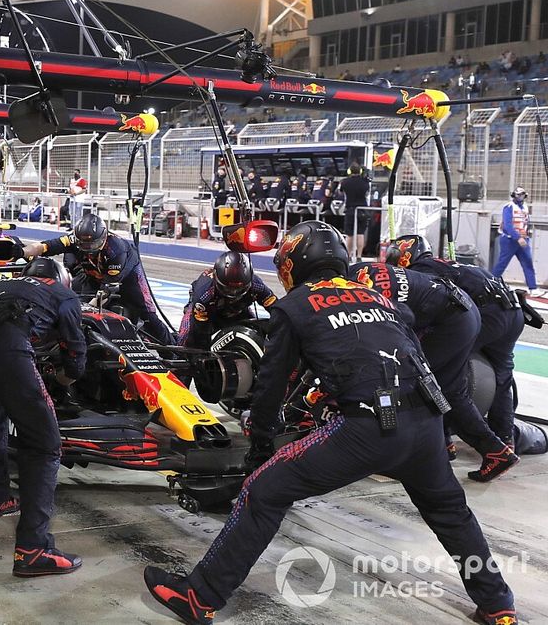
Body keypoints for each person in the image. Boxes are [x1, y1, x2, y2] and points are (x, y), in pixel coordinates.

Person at [144, 221, 517, 625]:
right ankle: (498, 603)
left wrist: (261, 444)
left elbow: (270, 385)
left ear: (296, 262)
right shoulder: (381, 298)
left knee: (262, 491)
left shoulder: (295, 306)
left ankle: (200, 596)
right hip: (427, 423)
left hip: (366, 428)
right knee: (450, 511)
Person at [0, 257, 86, 577]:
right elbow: (76, 360)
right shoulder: (64, 295)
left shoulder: (4, 284)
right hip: (3, 342)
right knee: (44, 443)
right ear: (61, 278)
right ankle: (33, 549)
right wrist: (63, 381)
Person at [351, 262, 518, 481]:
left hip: (456, 320)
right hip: (469, 314)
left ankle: (396, 450)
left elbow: (402, 320)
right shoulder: (369, 272)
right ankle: (491, 450)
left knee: (400, 379)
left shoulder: (354, 287)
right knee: (450, 389)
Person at [388, 235, 525, 455]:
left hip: (487, 313)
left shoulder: (421, 272)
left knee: (439, 374)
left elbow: (426, 313)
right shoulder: (444, 263)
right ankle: (505, 439)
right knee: (502, 380)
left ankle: (443, 440)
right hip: (512, 312)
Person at [22, 214, 173, 344]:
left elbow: (107, 289)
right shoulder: (73, 240)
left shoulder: (116, 249)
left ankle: (170, 348)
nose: (88, 247)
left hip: (127, 279)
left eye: (92, 243)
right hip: (94, 277)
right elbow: (45, 246)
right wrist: (22, 252)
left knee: (147, 314)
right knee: (74, 301)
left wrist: (85, 311)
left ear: (103, 237)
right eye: (83, 243)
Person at [177, 252, 276, 350]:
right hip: (207, 312)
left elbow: (275, 307)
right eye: (229, 289)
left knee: (255, 333)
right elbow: (200, 331)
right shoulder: (204, 296)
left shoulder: (257, 285)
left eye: (239, 290)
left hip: (238, 310)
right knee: (186, 339)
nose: (234, 294)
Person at [493, 187, 542, 296]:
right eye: (518, 194)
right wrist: (518, 237)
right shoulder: (509, 207)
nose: (520, 197)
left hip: (522, 240)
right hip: (509, 240)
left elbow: (525, 222)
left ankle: (533, 288)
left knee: (528, 263)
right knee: (502, 263)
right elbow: (508, 225)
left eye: (522, 195)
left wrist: (526, 235)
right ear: (514, 195)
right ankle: (491, 283)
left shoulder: (525, 207)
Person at [340, 162, 371, 261]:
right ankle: (359, 256)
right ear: (360, 171)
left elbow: (340, 191)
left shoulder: (344, 182)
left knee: (349, 234)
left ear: (350, 171)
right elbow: (367, 193)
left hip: (350, 210)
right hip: (362, 210)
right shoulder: (365, 182)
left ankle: (348, 256)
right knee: (360, 233)